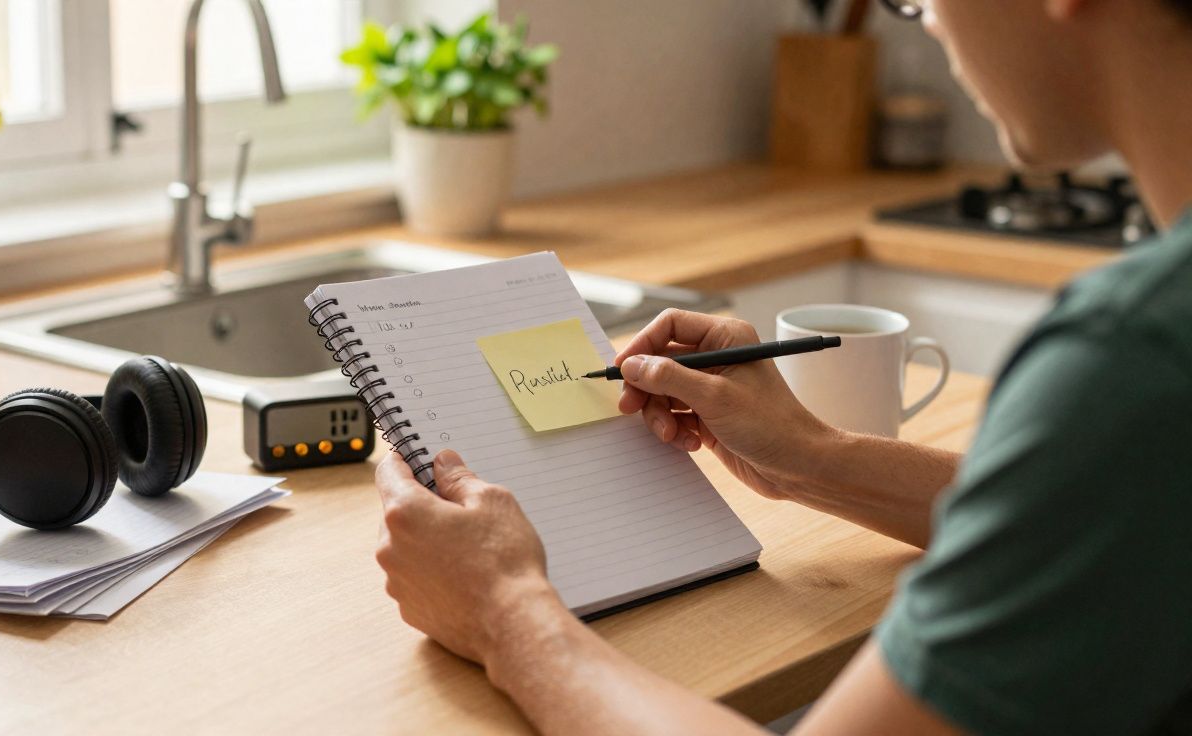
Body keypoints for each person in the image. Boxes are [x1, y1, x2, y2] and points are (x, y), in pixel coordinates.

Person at [372, 0, 1192, 733]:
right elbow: (1102, 512)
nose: (931, 21)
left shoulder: (1136, 357)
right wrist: (809, 460)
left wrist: (506, 615)